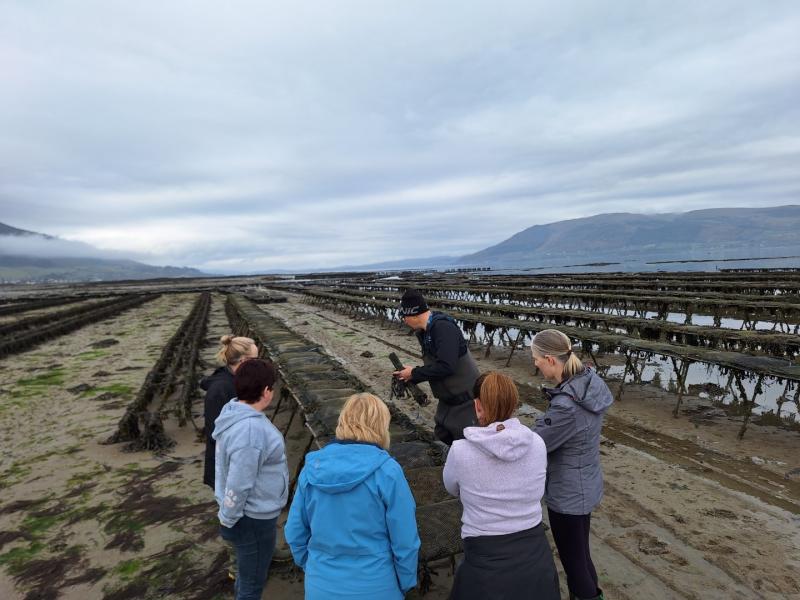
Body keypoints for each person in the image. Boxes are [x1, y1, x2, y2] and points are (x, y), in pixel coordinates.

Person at [285, 393, 420, 600]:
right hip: (377, 584)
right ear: (381, 425)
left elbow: (295, 531)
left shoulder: (312, 470)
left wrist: (312, 565)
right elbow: (405, 540)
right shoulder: (388, 471)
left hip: (321, 583)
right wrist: (405, 581)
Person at [443, 371, 560, 600]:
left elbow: (451, 488)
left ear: (477, 406)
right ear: (513, 404)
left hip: (484, 557)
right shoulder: (536, 443)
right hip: (534, 552)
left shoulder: (460, 450)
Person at [531, 329, 613, 600]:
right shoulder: (586, 380)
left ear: (551, 360)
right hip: (585, 482)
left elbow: (537, 445)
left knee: (574, 563)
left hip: (568, 492)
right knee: (581, 555)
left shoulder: (567, 405)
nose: (535, 364)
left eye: (536, 359)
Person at [213, 359, 289, 600]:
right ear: (266, 391)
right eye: (272, 388)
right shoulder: (250, 432)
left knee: (248, 576)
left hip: (248, 516)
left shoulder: (234, 410)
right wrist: (228, 519)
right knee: (252, 583)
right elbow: (239, 482)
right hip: (252, 520)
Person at [393, 289, 479, 444]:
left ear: (413, 314)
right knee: (442, 432)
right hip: (448, 399)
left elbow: (446, 366)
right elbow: (436, 365)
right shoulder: (426, 332)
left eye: (404, 316)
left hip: (466, 398)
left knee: (467, 439)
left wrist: (414, 373)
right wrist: (410, 374)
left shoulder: (443, 328)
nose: (404, 320)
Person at [201, 335, 259, 489]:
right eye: (255, 360)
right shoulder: (220, 390)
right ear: (243, 361)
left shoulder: (238, 380)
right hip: (227, 467)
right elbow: (216, 433)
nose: (258, 364)